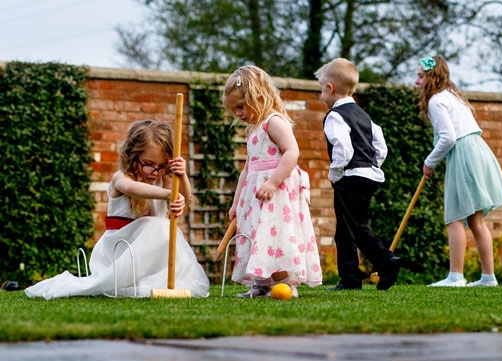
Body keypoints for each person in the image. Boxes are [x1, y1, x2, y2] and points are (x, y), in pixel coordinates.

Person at [26, 120, 210, 299]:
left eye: (161, 166)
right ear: (132, 156)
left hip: (150, 257)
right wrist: (168, 195)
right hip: (120, 251)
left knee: (167, 228)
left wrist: (182, 175)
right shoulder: (121, 178)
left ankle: (157, 281)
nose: (155, 172)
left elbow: (184, 196)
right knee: (159, 225)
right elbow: (131, 189)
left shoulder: (164, 179)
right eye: (148, 164)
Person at [223, 65, 323, 297]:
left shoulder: (274, 122)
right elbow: (247, 170)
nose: (238, 113)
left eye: (240, 106)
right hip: (255, 195)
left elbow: (291, 152)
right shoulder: (252, 130)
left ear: (258, 96)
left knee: (274, 235)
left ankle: (286, 285)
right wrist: (236, 204)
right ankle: (264, 284)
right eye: (233, 109)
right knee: (258, 236)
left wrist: (272, 182)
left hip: (275, 193)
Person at [416, 55, 502, 287]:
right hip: (477, 150)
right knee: (475, 219)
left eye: (421, 76)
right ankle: (488, 278)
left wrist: (430, 162)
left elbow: (448, 137)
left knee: (454, 218)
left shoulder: (436, 101)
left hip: (462, 153)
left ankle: (455, 276)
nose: (416, 82)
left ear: (432, 77)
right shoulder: (453, 97)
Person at [316, 58, 400, 291]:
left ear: (330, 88)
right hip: (368, 176)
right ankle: (359, 274)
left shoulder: (335, 116)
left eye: (322, 90)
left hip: (349, 177)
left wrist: (336, 173)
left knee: (348, 229)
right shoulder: (364, 115)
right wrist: (373, 166)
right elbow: (380, 146)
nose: (322, 96)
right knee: (351, 227)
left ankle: (378, 264)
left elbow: (342, 148)